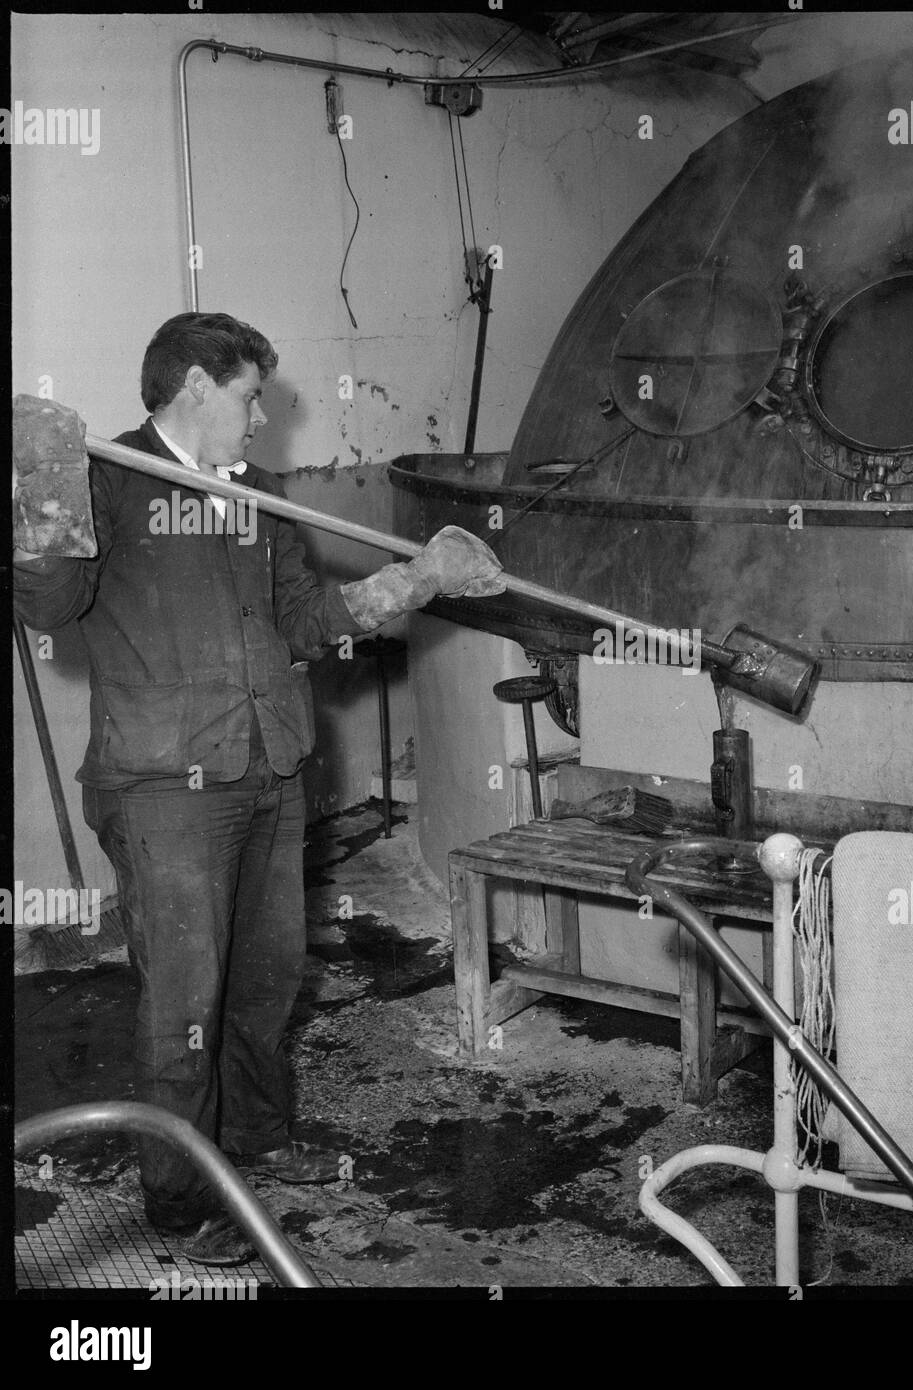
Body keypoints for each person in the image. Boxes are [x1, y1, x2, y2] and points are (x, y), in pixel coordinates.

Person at [12, 311, 505, 1265]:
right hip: (165, 789)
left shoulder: (265, 497)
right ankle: (181, 1202)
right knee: (185, 1001)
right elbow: (48, 604)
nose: (260, 417)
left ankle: (258, 1140)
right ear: (195, 386)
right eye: (248, 397)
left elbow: (306, 623)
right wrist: (38, 484)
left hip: (270, 771)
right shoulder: (109, 482)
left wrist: (414, 582)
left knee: (267, 979)